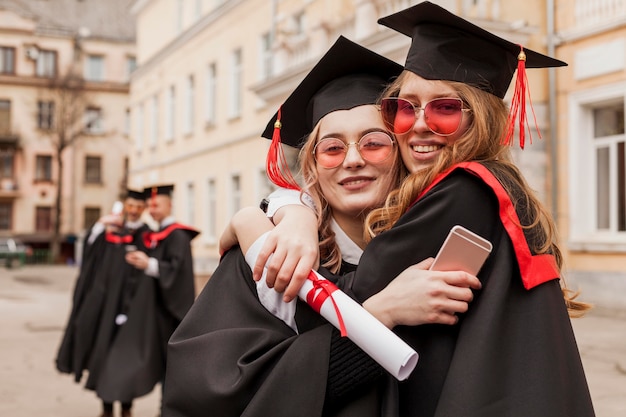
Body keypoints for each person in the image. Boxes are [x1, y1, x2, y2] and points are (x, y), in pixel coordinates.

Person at [254, 3, 596, 416]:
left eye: (445, 108)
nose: (419, 124)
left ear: (482, 118)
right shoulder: (503, 188)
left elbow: (343, 304)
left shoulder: (464, 191)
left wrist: (271, 216)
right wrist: (294, 205)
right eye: (404, 106)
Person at [162, 36, 481, 417]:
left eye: (374, 143)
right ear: (312, 166)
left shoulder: (433, 252)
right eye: (331, 148)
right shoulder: (266, 258)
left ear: (402, 153)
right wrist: (382, 314)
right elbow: (212, 390)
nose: (352, 160)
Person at [56, 189, 153, 417]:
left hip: (131, 308)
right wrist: (100, 224)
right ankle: (106, 409)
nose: (134, 210)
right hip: (104, 306)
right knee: (103, 353)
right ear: (124, 206)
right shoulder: (111, 231)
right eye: (131, 205)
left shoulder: (147, 235)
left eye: (139, 207)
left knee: (126, 358)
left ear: (144, 209)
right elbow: (90, 251)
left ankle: (127, 408)